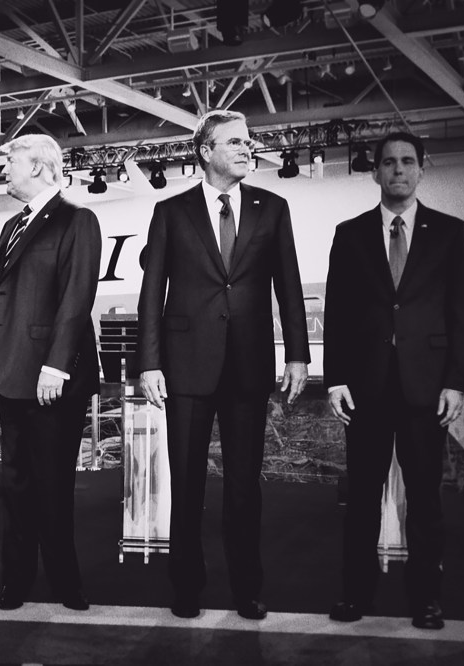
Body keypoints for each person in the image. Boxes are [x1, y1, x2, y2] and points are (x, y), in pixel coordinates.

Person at [137, 109, 310, 620]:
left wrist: (297, 352)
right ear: (205, 151)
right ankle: (186, 588)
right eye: (234, 141)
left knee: (243, 487)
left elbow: (290, 284)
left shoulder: (272, 208)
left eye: (249, 141)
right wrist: (150, 362)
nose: (247, 148)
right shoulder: (171, 212)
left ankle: (246, 589)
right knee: (186, 485)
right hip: (185, 366)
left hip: (249, 366)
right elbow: (152, 294)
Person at [325, 132, 464, 630]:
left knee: (426, 502)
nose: (398, 170)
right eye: (388, 162)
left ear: (421, 169)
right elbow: (338, 312)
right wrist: (335, 378)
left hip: (426, 389)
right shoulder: (349, 233)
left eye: (407, 161)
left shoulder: (450, 232)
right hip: (365, 390)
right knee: (362, 500)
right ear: (375, 172)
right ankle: (355, 594)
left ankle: (426, 600)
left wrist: (456, 381)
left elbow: (458, 315)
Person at [0, 134, 101, 612]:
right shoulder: (12, 224)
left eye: (11, 161)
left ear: (41, 167)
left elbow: (76, 299)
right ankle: (17, 580)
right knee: (16, 485)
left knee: (53, 486)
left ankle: (65, 582)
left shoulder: (77, 219)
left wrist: (56, 366)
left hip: (53, 380)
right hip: (10, 377)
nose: (4, 170)